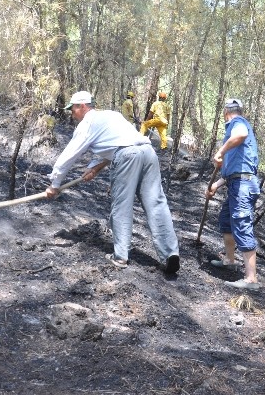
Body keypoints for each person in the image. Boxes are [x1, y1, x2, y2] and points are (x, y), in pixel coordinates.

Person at [46, 90, 180, 274]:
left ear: (83, 106)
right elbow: (119, 142)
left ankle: (120, 256)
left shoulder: (87, 123)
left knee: (122, 205)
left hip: (127, 156)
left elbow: (70, 154)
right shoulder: (111, 115)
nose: (71, 113)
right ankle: (170, 253)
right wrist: (95, 167)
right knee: (156, 202)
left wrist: (54, 184)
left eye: (73, 109)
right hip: (148, 152)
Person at [205, 98, 260, 290]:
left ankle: (251, 279)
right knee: (227, 221)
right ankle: (229, 260)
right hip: (236, 182)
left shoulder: (238, 123)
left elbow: (241, 134)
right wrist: (215, 186)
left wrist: (220, 151)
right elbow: (233, 173)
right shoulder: (233, 135)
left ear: (226, 112)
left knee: (241, 223)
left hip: (244, 184)